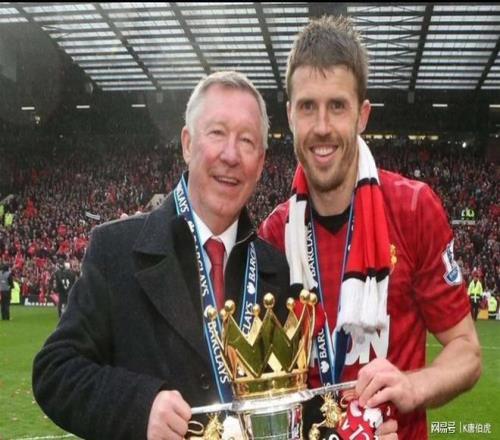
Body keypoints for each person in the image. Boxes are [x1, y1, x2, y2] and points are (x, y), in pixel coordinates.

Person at [32, 71, 290, 440]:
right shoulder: (116, 249)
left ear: (261, 162)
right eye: (217, 133)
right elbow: (55, 370)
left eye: (247, 141)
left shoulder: (273, 269)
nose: (231, 155)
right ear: (187, 144)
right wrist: (140, 408)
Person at [259, 16, 481, 440]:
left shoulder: (413, 209)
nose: (322, 127)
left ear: (362, 115)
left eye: (337, 106)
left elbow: (467, 350)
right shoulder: (274, 234)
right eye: (307, 106)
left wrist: (412, 387)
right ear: (289, 116)